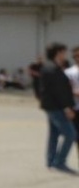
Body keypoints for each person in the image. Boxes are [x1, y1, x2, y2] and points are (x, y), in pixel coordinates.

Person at [35, 45, 77, 173]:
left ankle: (51, 161)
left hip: (51, 105)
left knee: (54, 135)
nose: (65, 56)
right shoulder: (53, 69)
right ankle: (60, 162)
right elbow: (60, 92)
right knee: (70, 134)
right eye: (63, 53)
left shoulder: (50, 68)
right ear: (58, 53)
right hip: (56, 107)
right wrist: (67, 108)